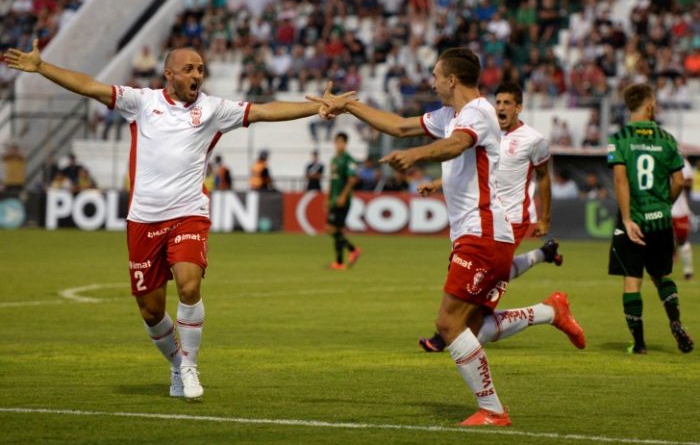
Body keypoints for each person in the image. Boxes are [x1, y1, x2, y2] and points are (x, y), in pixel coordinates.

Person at [4, 40, 349, 400]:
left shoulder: (214, 109)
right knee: (151, 311)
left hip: (188, 214)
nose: (197, 75)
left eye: (200, 69)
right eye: (189, 69)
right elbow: (90, 87)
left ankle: (190, 365)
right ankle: (175, 364)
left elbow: (264, 111)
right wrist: (42, 67)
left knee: (188, 285)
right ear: (169, 74)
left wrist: (317, 109)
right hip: (144, 219)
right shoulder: (141, 102)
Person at [309, 48, 585, 427]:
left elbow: (457, 144)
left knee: (447, 325)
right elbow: (399, 126)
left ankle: (492, 410)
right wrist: (348, 107)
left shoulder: (480, 113)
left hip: (483, 234)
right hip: (482, 235)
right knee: (472, 328)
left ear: (452, 79)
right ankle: (550, 311)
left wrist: (418, 155)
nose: (432, 81)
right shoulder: (450, 115)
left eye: (436, 75)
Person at [417, 81, 565, 353]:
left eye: (507, 103)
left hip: (516, 217)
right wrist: (438, 183)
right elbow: (478, 170)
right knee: (492, 271)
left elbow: (544, 178)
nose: (501, 107)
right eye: (498, 102)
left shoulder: (533, 140)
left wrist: (545, 217)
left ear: (519, 108)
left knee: (485, 285)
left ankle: (448, 331)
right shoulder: (490, 130)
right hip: (487, 214)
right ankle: (544, 256)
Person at [607, 83, 693, 355]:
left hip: (632, 221)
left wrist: (627, 217)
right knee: (663, 276)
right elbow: (679, 180)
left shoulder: (619, 138)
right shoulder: (667, 139)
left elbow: (620, 179)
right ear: (650, 105)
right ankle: (676, 322)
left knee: (632, 281)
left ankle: (639, 343)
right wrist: (664, 203)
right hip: (660, 222)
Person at [327, 132, 360, 270]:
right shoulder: (334, 160)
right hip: (334, 199)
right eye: (337, 142)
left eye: (341, 142)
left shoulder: (349, 160)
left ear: (345, 144)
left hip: (343, 200)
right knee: (335, 230)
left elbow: (353, 179)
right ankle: (340, 261)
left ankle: (352, 250)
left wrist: (343, 196)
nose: (339, 145)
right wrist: (327, 198)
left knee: (332, 229)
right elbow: (332, 181)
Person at [671, 157, 694, 280]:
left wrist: (678, 181)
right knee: (663, 240)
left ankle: (688, 271)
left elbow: (690, 182)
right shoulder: (657, 157)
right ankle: (665, 269)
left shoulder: (683, 162)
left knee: (683, 241)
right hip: (663, 208)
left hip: (680, 209)